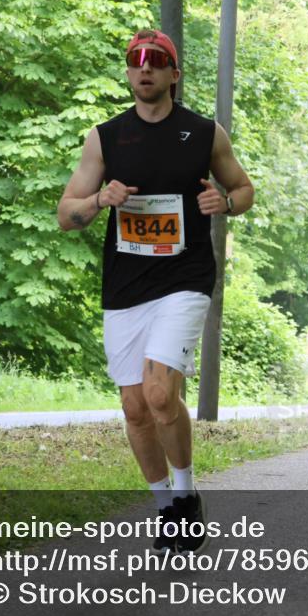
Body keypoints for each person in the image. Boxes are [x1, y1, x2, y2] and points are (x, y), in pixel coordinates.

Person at [56, 29, 254, 554]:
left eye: (156, 60)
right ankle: (166, 505)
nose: (145, 67)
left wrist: (226, 204)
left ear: (174, 73)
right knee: (134, 407)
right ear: (128, 72)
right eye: (136, 60)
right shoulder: (105, 137)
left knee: (160, 394)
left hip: (184, 279)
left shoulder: (205, 133)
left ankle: (187, 494)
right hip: (126, 285)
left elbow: (243, 188)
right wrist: (99, 200)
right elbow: (65, 214)